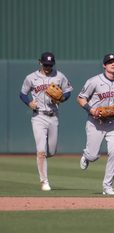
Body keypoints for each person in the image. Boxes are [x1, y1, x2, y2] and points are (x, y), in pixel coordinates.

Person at [77, 53, 114, 195]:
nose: (113, 64)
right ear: (104, 65)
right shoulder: (94, 81)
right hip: (95, 122)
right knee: (93, 156)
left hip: (113, 123)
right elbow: (81, 98)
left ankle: (107, 186)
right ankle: (87, 156)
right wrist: (91, 110)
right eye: (110, 62)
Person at [19, 52, 73, 191]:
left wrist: (62, 98)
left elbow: (68, 91)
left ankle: (40, 159)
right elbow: (23, 93)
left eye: (50, 65)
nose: (48, 67)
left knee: (52, 151)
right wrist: (29, 103)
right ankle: (44, 182)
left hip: (54, 115)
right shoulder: (31, 78)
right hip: (38, 116)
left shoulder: (59, 76)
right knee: (41, 151)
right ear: (40, 62)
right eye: (45, 64)